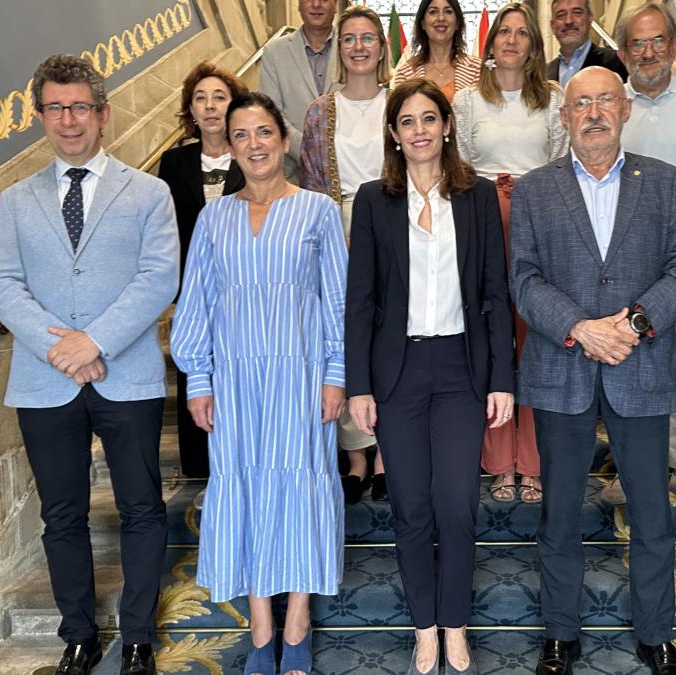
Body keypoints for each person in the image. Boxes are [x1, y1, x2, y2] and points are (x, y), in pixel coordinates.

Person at [0, 53, 178, 675]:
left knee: (142, 508)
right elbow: (3, 284)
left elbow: (157, 279)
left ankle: (140, 636)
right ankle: (78, 636)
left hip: (128, 374)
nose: (69, 120)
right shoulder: (15, 201)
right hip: (45, 383)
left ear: (103, 113)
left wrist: (93, 342)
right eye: (55, 108)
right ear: (40, 116)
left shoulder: (148, 192)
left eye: (80, 107)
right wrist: (58, 347)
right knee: (61, 514)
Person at [509, 66, 676, 675]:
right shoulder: (535, 190)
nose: (593, 112)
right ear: (564, 118)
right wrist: (580, 327)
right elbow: (523, 278)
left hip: (641, 367)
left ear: (625, 111)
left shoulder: (667, 183)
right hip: (561, 366)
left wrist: (633, 325)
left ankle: (656, 634)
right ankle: (561, 635)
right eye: (580, 103)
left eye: (605, 102)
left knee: (651, 512)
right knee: (560, 512)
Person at [170, 92, 348, 675]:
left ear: (285, 139)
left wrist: (336, 375)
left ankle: (296, 621)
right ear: (231, 144)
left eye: (264, 132)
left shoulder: (318, 210)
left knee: (301, 490)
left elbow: (337, 302)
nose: (253, 144)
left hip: (300, 378)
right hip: (235, 382)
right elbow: (195, 301)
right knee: (242, 490)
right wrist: (199, 378)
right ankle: (261, 626)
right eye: (241, 134)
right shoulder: (213, 217)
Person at [345, 79, 515, 675]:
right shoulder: (372, 200)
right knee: (412, 506)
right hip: (398, 373)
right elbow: (360, 300)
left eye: (429, 118)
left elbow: (495, 293)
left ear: (447, 125)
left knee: (457, 505)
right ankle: (424, 627)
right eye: (407, 121)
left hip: (461, 370)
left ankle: (455, 623)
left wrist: (502, 379)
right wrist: (359, 384)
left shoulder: (477, 197)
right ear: (393, 133)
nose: (419, 130)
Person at [600, 1, 676, 509]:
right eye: (637, 43)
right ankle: (628, 469)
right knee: (620, 365)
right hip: (621, 263)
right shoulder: (611, 101)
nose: (648, 52)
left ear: (675, 45)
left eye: (658, 42)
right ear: (623, 51)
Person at [452, 0, 567, 504]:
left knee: (536, 338)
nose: (513, 40)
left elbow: (565, 163)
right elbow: (457, 163)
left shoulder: (555, 98)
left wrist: (531, 192)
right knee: (496, 337)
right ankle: (500, 462)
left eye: (523, 32)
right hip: (483, 219)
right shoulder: (467, 100)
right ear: (491, 43)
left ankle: (534, 461)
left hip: (540, 219)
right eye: (504, 32)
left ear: (534, 45)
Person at [301, 5, 391, 503]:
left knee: (390, 335)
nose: (359, 47)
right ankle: (355, 454)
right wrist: (335, 239)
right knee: (343, 337)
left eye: (368, 38)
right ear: (340, 48)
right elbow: (313, 182)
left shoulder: (400, 101)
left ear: (382, 47)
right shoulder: (320, 111)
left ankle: (386, 452)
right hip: (336, 230)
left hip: (394, 226)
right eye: (350, 38)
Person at [157, 60, 248, 483]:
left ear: (233, 106)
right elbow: (167, 230)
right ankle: (199, 477)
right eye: (200, 98)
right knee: (196, 376)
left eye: (219, 97)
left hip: (245, 292)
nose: (210, 106)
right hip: (194, 294)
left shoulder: (253, 155)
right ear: (190, 110)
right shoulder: (173, 163)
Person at [259, 0, 336, 182]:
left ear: (336, 4)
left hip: (347, 168)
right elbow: (271, 112)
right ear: (298, 4)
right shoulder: (274, 52)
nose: (316, 4)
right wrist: (307, 150)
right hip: (292, 173)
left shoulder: (351, 47)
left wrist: (336, 153)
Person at [390, 0, 482, 102]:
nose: (441, 18)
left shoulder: (477, 70)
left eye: (448, 11)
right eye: (433, 12)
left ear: (457, 23)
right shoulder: (405, 73)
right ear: (423, 23)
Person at [546, 0, 628, 87]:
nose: (569, 21)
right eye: (561, 15)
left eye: (577, 13)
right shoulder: (543, 74)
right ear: (552, 26)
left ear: (590, 18)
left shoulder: (618, 62)